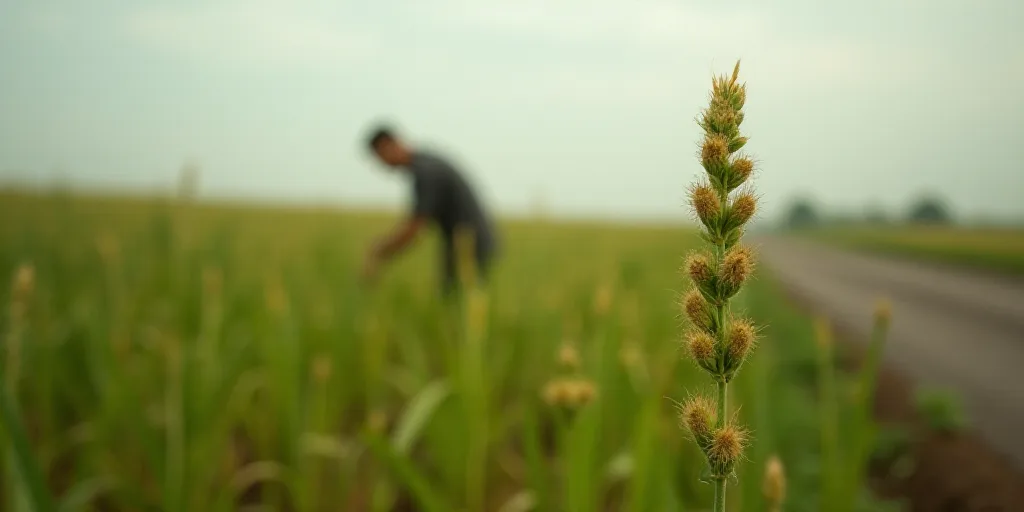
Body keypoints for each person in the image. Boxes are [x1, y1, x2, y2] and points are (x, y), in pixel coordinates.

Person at [361, 124, 498, 296]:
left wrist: (380, 252)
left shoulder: (425, 172)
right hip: (463, 243)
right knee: (456, 299)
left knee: (459, 301)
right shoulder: (425, 163)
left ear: (390, 145)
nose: (382, 165)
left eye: (380, 156)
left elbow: (416, 226)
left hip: (469, 245)